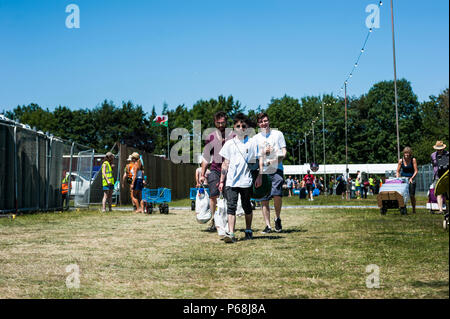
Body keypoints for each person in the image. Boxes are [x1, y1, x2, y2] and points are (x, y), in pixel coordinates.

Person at [218, 113, 263, 243]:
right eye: (238, 125)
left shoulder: (252, 142)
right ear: (234, 128)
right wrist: (222, 180)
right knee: (231, 206)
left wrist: (260, 176)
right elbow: (225, 163)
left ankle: (248, 229)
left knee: (246, 206)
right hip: (231, 181)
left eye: (243, 126)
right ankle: (231, 233)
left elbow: (259, 159)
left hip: (246, 180)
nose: (241, 128)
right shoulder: (229, 144)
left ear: (247, 127)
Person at [199, 111, 234, 232]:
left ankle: (228, 222)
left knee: (229, 197)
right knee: (213, 195)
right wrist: (202, 174)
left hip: (230, 171)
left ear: (226, 122)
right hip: (215, 169)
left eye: (222, 122)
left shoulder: (233, 135)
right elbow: (206, 157)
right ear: (215, 122)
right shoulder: (210, 137)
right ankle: (214, 221)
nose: (220, 125)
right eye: (218, 123)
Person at [253, 112, 287, 233]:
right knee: (264, 198)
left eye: (266, 121)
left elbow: (284, 153)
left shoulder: (278, 134)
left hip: (277, 168)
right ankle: (268, 226)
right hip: (263, 170)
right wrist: (260, 175)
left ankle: (277, 218)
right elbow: (258, 158)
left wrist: (274, 160)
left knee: (277, 194)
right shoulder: (256, 138)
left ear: (269, 121)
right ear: (258, 124)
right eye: (261, 122)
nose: (264, 123)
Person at [396, 147, 418, 214]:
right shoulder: (401, 161)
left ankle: (414, 209)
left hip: (411, 178)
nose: (406, 154)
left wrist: (411, 178)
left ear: (410, 154)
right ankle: (403, 207)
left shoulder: (413, 160)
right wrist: (398, 178)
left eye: (408, 153)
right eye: (405, 153)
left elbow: (416, 171)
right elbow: (397, 171)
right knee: (402, 194)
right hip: (403, 179)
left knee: (411, 195)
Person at [431, 141, 449, 214]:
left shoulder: (447, 154)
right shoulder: (433, 155)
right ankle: (441, 210)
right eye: (438, 149)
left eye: (440, 149)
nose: (439, 150)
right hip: (437, 176)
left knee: (447, 193)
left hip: (447, 175)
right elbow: (433, 164)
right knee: (439, 192)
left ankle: (447, 209)